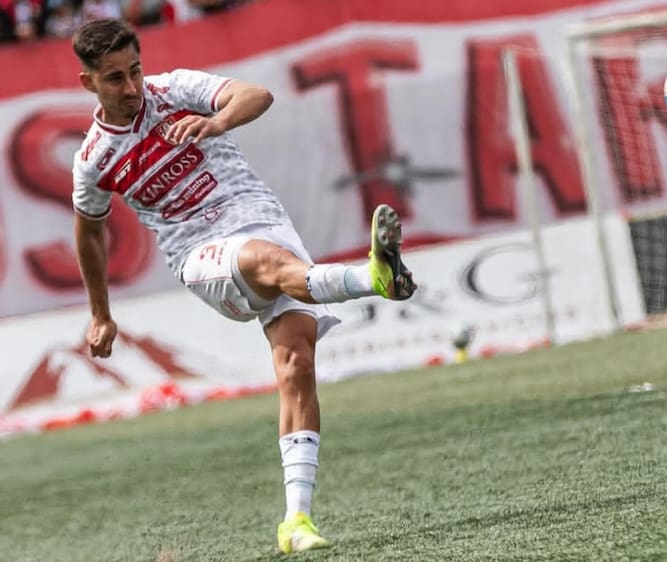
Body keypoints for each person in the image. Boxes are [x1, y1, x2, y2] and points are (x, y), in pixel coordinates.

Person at [71, 18, 416, 554]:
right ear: (88, 82)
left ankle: (296, 521)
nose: (132, 87)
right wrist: (100, 313)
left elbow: (256, 94)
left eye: (135, 70)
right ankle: (372, 277)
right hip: (200, 252)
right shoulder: (93, 161)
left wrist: (217, 121)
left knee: (297, 364)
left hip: (258, 214)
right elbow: (89, 235)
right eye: (115, 78)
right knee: (264, 262)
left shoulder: (174, 89)